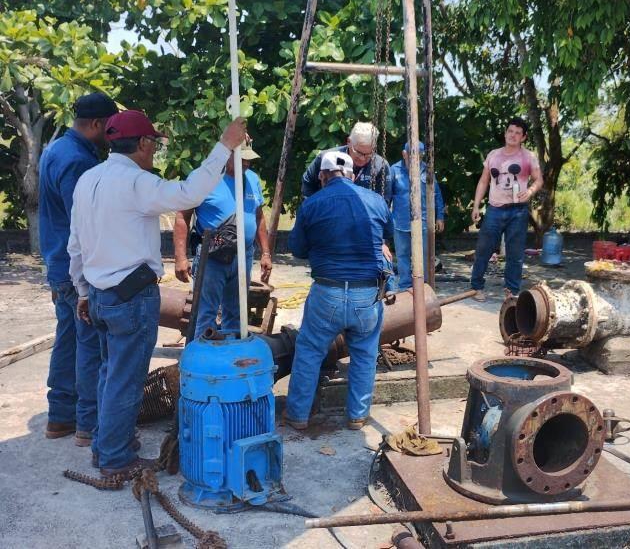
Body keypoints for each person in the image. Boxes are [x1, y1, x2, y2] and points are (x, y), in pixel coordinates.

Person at [68, 110, 248, 477]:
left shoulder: (88, 180)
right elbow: (189, 193)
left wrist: (83, 292)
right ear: (145, 144)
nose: (154, 152)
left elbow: (75, 246)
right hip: (130, 298)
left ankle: (107, 445)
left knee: (109, 375)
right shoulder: (137, 183)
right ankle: (116, 458)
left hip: (100, 295)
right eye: (154, 144)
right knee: (125, 381)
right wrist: (224, 145)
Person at [286, 151, 392, 431]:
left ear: (322, 176)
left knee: (309, 352)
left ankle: (298, 415)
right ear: (353, 175)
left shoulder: (311, 205)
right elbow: (385, 237)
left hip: (327, 292)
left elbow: (297, 249)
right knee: (365, 355)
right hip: (366, 295)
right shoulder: (377, 201)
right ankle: (357, 416)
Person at [38, 92, 118, 445]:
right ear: (97, 124)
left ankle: (59, 417)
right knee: (89, 343)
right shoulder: (77, 162)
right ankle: (88, 424)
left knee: (68, 337)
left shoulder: (55, 149)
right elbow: (83, 223)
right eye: (110, 128)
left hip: (58, 262)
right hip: (74, 268)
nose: (112, 136)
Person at [173, 142, 272, 338]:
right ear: (227, 155)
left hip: (243, 256)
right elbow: (182, 217)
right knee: (205, 313)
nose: (247, 163)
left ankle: (229, 360)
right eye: (242, 159)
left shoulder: (252, 179)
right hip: (212, 257)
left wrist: (266, 253)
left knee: (236, 314)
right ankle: (202, 361)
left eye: (249, 160)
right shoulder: (204, 178)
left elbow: (259, 216)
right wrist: (180, 258)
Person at [470, 117, 543, 301]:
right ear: (505, 133)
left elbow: (539, 179)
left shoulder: (528, 157)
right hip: (494, 209)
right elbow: (484, 180)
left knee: (515, 254)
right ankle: (476, 287)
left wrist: (531, 191)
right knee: (484, 249)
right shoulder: (494, 155)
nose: (513, 135)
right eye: (510, 131)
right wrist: (477, 205)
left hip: (518, 211)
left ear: (523, 137)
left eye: (518, 133)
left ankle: (512, 291)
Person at [389, 141, 445, 290]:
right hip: (400, 223)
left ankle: (426, 286)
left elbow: (436, 194)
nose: (416, 159)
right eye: (413, 155)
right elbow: (386, 197)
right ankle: (405, 286)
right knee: (402, 256)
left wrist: (439, 216)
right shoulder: (394, 170)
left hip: (423, 222)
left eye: (420, 156)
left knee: (426, 255)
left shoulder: (427, 170)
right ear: (404, 154)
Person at [301, 122, 392, 202]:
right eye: (359, 153)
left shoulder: (381, 166)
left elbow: (384, 201)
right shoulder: (327, 159)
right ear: (349, 142)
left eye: (369, 154)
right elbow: (308, 184)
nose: (363, 159)